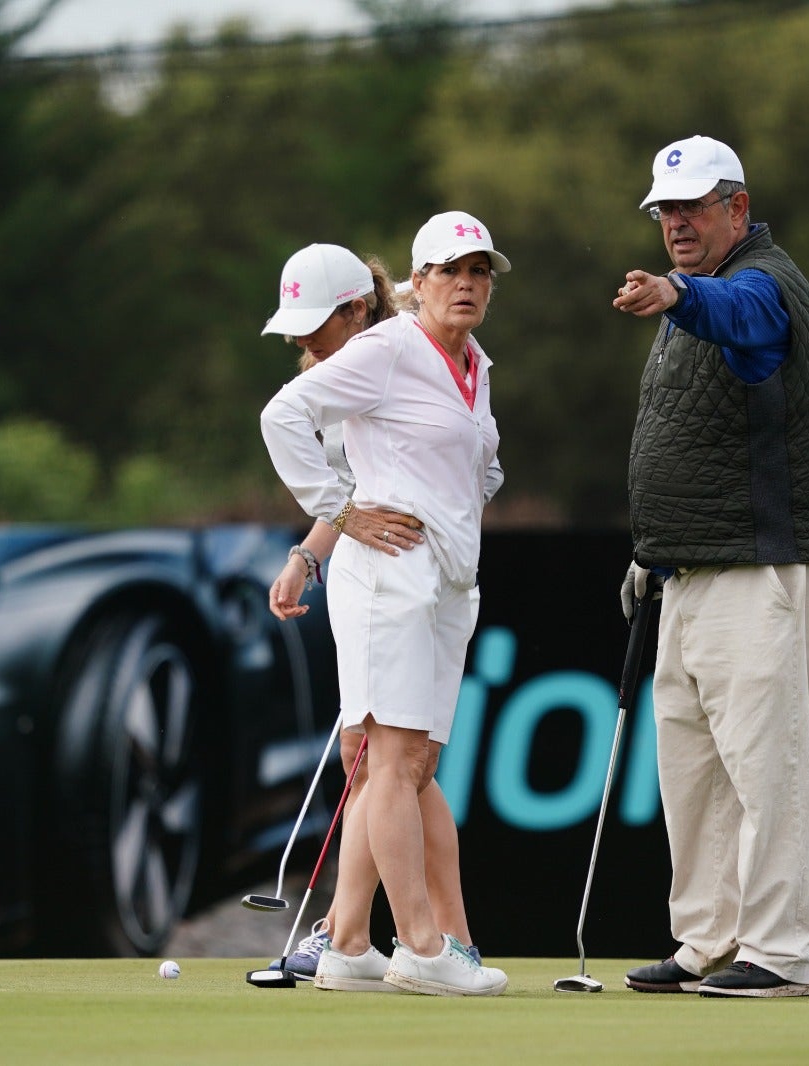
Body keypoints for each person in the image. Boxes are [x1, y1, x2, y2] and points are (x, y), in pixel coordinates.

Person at [611, 134, 809, 998]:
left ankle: (777, 952)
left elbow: (743, 320)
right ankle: (707, 939)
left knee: (764, 765)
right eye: (664, 211)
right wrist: (651, 554)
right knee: (694, 770)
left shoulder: (764, 287)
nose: (674, 223)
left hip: (758, 564)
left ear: (737, 209)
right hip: (690, 571)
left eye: (692, 207)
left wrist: (677, 293)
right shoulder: (696, 299)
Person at [260, 211, 511, 996]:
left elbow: (482, 464)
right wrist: (341, 511)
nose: (467, 283)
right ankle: (426, 949)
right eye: (450, 270)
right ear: (420, 279)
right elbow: (282, 415)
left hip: (446, 582)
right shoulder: (388, 348)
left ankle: (347, 942)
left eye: (480, 272)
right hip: (389, 576)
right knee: (388, 762)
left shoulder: (475, 361)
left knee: (409, 763)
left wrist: (453, 494)